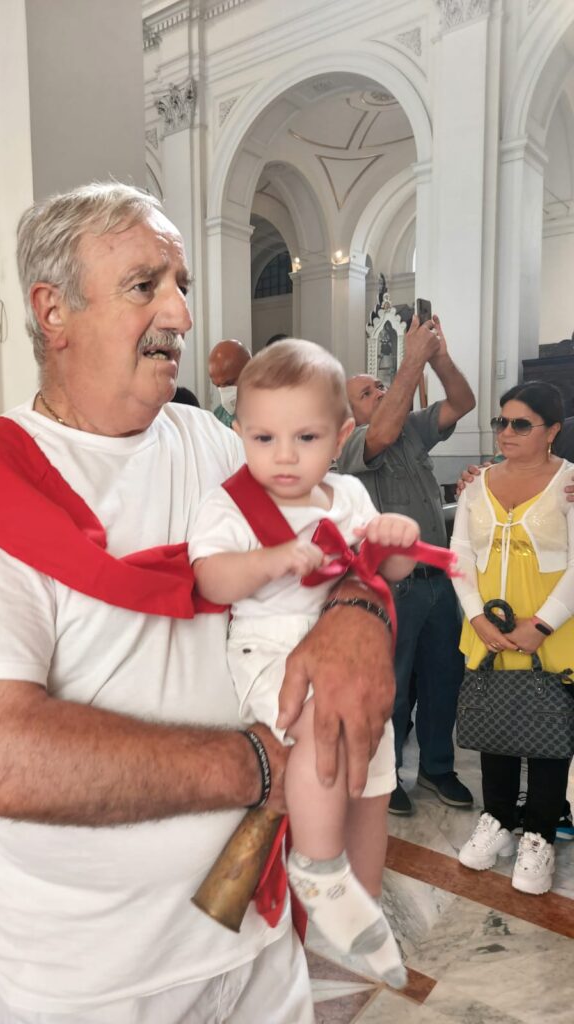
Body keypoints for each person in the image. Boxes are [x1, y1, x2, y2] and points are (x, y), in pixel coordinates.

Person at [0, 182, 395, 1024]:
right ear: (53, 310)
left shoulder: (213, 444)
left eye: (183, 284)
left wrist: (358, 613)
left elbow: (344, 544)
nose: (181, 314)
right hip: (93, 975)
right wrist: (260, 766)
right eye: (145, 285)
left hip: (257, 932)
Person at [189, 339, 419, 988]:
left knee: (373, 769)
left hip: (346, 652)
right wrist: (270, 559)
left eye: (306, 436)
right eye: (263, 437)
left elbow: (390, 572)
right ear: (239, 433)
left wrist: (393, 536)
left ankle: (361, 899)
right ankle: (318, 867)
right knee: (323, 725)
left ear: (343, 434)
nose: (283, 456)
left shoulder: (347, 496)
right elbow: (211, 579)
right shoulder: (228, 505)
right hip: (269, 649)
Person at [338, 314, 476, 816]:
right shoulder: (352, 446)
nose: (380, 393)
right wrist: (410, 362)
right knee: (390, 688)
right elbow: (383, 428)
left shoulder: (412, 434)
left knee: (444, 679)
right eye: (368, 392)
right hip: (389, 591)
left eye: (382, 387)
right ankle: (387, 774)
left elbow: (464, 402)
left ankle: (438, 767)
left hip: (437, 584)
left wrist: (438, 357)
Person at [452, 382, 574, 894]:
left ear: (552, 431)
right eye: (502, 422)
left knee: (548, 731)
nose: (505, 432)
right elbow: (458, 554)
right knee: (495, 724)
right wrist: (477, 618)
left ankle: (541, 832)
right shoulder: (477, 483)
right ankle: (498, 818)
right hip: (488, 629)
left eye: (521, 424)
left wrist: (540, 624)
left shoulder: (569, 484)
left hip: (553, 631)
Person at [209, 338, 250, 427]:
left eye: (229, 383)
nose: (224, 392)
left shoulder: (270, 412)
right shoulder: (218, 416)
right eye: (218, 386)